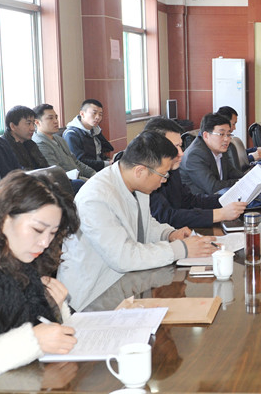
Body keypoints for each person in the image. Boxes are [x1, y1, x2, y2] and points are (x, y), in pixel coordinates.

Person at [58, 131, 216, 310]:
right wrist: (182, 249)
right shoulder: (95, 198)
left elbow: (144, 224)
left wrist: (169, 234)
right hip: (92, 297)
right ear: (140, 171)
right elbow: (123, 257)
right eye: (163, 174)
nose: (164, 181)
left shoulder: (136, 184)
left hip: (124, 285)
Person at [0, 171, 79, 394]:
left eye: (53, 233)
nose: (45, 242)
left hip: (13, 393)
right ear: (4, 217)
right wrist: (31, 341)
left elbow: (39, 329)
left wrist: (55, 307)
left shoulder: (18, 260)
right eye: (37, 230)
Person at [144, 116, 247, 228]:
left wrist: (227, 199)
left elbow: (189, 200)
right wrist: (219, 214)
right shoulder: (146, 176)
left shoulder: (172, 168)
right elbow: (167, 217)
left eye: (180, 146)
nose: (181, 153)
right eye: (175, 147)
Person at [32, 103, 96, 188]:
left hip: (79, 178)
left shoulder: (59, 139)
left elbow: (76, 162)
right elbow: (56, 173)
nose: (56, 121)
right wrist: (87, 180)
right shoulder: (39, 143)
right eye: (50, 118)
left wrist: (93, 174)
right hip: (65, 184)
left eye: (56, 117)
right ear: (37, 122)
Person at [180, 113, 244, 195]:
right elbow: (212, 187)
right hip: (200, 201)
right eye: (221, 134)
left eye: (228, 134)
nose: (226, 139)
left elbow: (231, 172)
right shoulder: (195, 155)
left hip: (217, 197)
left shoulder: (219, 149)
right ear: (206, 135)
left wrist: (249, 178)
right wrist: (240, 182)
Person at [62, 99, 114, 172]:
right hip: (87, 172)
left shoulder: (95, 130)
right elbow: (79, 161)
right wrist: (107, 163)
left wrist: (110, 161)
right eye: (94, 113)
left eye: (100, 114)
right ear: (82, 114)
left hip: (101, 167)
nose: (97, 117)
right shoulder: (71, 134)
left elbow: (101, 152)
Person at [2, 106, 49, 171]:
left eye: (33, 123)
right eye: (28, 123)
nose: (33, 128)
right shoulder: (4, 147)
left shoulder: (30, 143)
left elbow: (45, 167)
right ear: (13, 126)